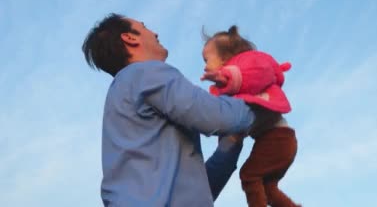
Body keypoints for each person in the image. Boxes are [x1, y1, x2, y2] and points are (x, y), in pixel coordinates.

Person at [82, 13, 255, 207]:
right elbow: (220, 117)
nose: (154, 32)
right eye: (144, 27)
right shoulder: (146, 73)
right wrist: (258, 99)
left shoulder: (123, 95)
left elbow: (198, 195)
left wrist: (230, 145)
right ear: (130, 38)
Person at [201, 26, 300, 207]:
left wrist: (227, 77)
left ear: (224, 58)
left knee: (249, 175)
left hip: (278, 138)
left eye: (207, 59)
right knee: (268, 188)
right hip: (280, 140)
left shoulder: (248, 70)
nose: (205, 65)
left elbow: (250, 75)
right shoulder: (231, 90)